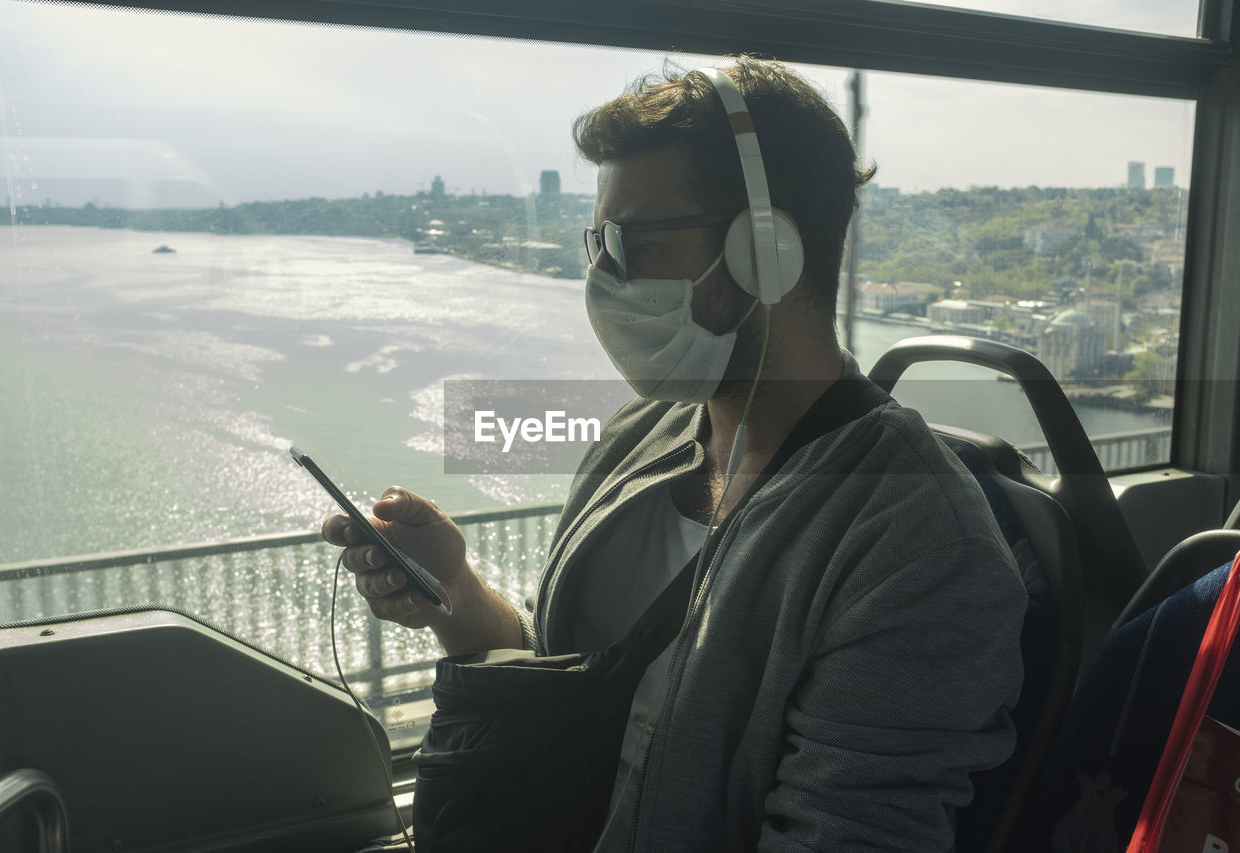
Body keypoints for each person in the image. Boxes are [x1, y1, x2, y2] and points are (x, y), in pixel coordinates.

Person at [322, 57, 1027, 851]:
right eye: (596, 242)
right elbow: (572, 687)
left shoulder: (917, 545)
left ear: (767, 253)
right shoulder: (642, 434)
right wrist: (453, 590)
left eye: (628, 243)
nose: (600, 276)